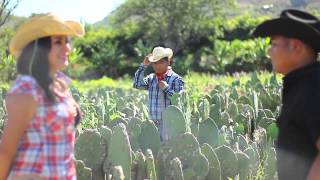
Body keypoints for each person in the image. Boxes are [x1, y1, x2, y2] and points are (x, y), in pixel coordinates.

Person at [0, 12, 84, 179]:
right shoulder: (27, 89)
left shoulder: (60, 85)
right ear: (39, 48)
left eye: (66, 41)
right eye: (58, 42)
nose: (67, 47)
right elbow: (6, 152)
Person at [253, 9, 320, 180]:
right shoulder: (302, 84)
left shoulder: (313, 87)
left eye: (274, 44)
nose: (269, 52)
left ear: (296, 47)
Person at [133, 46, 184, 140]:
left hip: (169, 124)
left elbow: (180, 102)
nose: (157, 66)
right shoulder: (151, 78)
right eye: (155, 63)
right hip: (153, 123)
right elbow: (137, 84)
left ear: (168, 62)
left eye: (161, 62)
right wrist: (143, 65)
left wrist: (167, 88)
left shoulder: (176, 79)